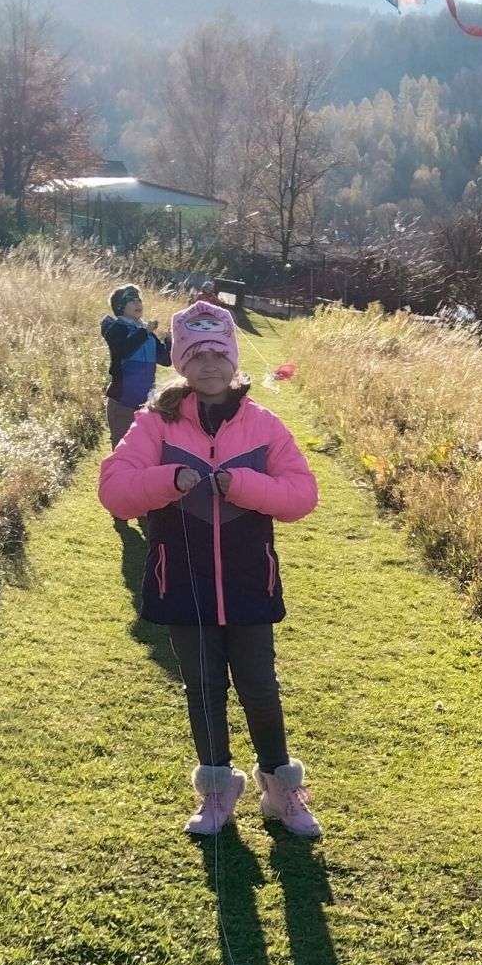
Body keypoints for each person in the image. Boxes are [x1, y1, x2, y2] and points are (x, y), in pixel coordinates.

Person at [97, 299, 323, 839]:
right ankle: (218, 790)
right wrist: (167, 479)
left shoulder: (264, 425)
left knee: (260, 686)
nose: (209, 365)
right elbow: (115, 491)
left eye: (219, 354)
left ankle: (281, 789)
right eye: (197, 354)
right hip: (181, 581)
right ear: (180, 361)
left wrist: (241, 485)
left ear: (234, 359)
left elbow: (301, 496)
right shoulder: (154, 424)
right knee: (202, 687)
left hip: (250, 581)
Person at [100, 285, 169, 588]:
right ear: (120, 306)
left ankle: (140, 502)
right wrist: (146, 331)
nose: (138, 303)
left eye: (139, 299)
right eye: (131, 300)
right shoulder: (115, 327)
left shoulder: (145, 331)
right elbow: (123, 350)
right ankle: (119, 505)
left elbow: (166, 360)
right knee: (122, 455)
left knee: (148, 455)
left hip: (146, 406)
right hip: (122, 404)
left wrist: (169, 338)